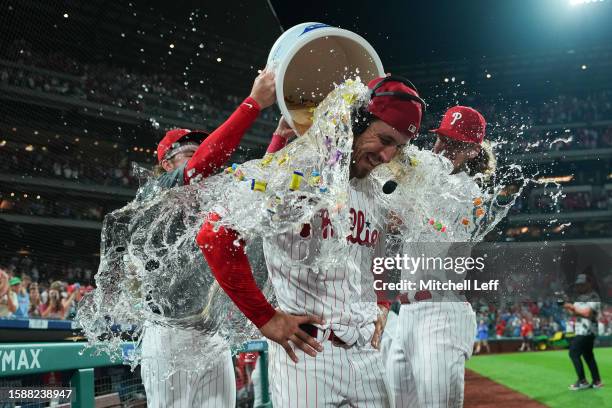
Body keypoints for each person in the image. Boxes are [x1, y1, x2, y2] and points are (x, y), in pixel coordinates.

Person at [198, 75, 426, 407]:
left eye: (399, 147)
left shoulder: (374, 191)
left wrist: (381, 301)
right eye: (384, 139)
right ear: (357, 121)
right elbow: (213, 233)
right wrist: (265, 317)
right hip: (306, 356)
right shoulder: (295, 169)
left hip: (366, 354)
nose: (388, 156)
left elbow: (374, 256)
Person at [139, 68, 285, 408]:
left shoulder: (214, 203)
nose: (202, 157)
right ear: (165, 165)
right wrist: (252, 104)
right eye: (190, 152)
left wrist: (278, 139)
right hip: (168, 335)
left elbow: (258, 187)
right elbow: (201, 166)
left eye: (202, 149)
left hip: (211, 335)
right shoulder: (156, 192)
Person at [386, 106, 493, 407]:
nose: (443, 148)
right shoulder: (425, 181)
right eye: (441, 139)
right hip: (405, 314)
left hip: (441, 314)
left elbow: (424, 239)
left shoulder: (469, 193)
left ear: (472, 151)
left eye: (455, 143)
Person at [564, 273, 603, 390]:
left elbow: (587, 313)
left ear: (589, 284)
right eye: (578, 285)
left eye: (582, 284)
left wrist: (571, 307)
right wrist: (567, 306)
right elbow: (574, 313)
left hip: (587, 330)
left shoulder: (594, 297)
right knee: (588, 355)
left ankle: (582, 381)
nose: (579, 287)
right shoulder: (580, 298)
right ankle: (596, 381)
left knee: (573, 353)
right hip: (581, 330)